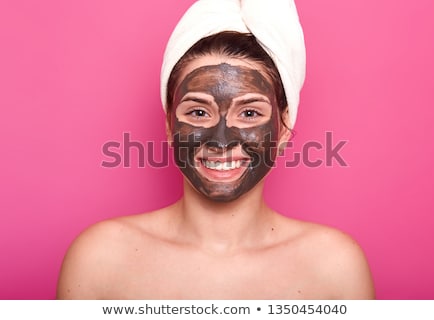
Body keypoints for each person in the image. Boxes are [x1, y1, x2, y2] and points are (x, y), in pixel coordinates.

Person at [57, 0, 375, 299]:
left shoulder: (334, 267)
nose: (221, 141)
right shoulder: (100, 259)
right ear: (169, 125)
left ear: (283, 126)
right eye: (198, 112)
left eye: (250, 113)